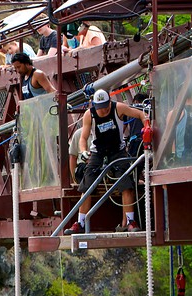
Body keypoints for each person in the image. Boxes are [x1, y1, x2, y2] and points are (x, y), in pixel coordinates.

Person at [63, 89, 151, 234]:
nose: (103, 110)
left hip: (117, 151)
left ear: (109, 102)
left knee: (126, 184)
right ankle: (80, 222)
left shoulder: (118, 108)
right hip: (98, 152)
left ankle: (130, 221)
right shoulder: (89, 115)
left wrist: (146, 126)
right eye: (100, 108)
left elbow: (141, 114)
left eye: (105, 106)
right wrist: (83, 151)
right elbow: (83, 138)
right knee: (86, 185)